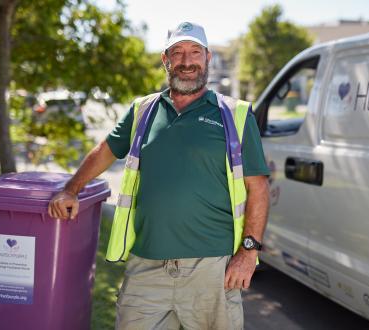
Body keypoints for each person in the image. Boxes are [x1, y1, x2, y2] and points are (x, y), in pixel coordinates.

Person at [48, 21, 270, 330]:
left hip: (211, 271)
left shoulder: (235, 114)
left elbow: (258, 187)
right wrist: (71, 188)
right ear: (165, 60)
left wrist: (248, 253)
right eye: (177, 52)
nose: (186, 61)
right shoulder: (144, 110)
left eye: (194, 52)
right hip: (146, 267)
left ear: (207, 58)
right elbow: (106, 150)